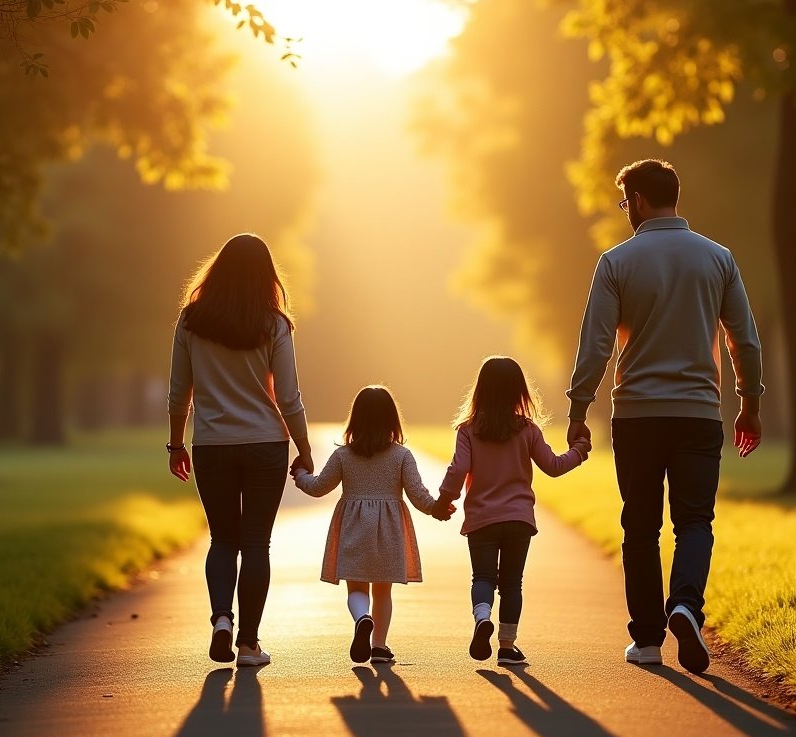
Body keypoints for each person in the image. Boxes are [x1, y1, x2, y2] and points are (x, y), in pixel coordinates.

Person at [566, 159, 763, 674]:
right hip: (699, 414)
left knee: (640, 526)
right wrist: (750, 403)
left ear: (638, 200)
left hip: (637, 415)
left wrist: (578, 407)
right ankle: (685, 606)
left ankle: (648, 639)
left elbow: (596, 346)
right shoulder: (718, 259)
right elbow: (743, 339)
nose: (624, 209)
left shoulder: (616, 263)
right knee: (695, 520)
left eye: (624, 201)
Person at [167, 233, 313, 668]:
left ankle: (221, 620)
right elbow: (289, 397)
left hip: (212, 444)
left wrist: (176, 443)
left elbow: (179, 393)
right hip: (266, 445)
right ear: (266, 276)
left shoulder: (191, 322)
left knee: (223, 539)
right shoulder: (274, 325)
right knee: (256, 543)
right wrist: (304, 449)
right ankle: (248, 644)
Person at [430, 357, 590, 666]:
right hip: (518, 519)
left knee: (483, 578)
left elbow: (459, 468)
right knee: (512, 583)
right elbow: (553, 467)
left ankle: (481, 618)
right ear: (519, 392)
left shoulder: (468, 431)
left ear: (481, 390)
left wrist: (444, 500)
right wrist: (579, 451)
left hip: (481, 520)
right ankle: (506, 645)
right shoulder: (527, 430)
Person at [291, 386, 451, 664]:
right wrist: (436, 508)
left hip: (354, 528)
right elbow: (417, 494)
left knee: (356, 589)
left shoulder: (343, 456)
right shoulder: (402, 456)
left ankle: (361, 618)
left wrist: (302, 475)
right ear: (392, 420)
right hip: (389, 531)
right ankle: (379, 646)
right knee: (383, 591)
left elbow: (318, 487)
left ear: (356, 419)